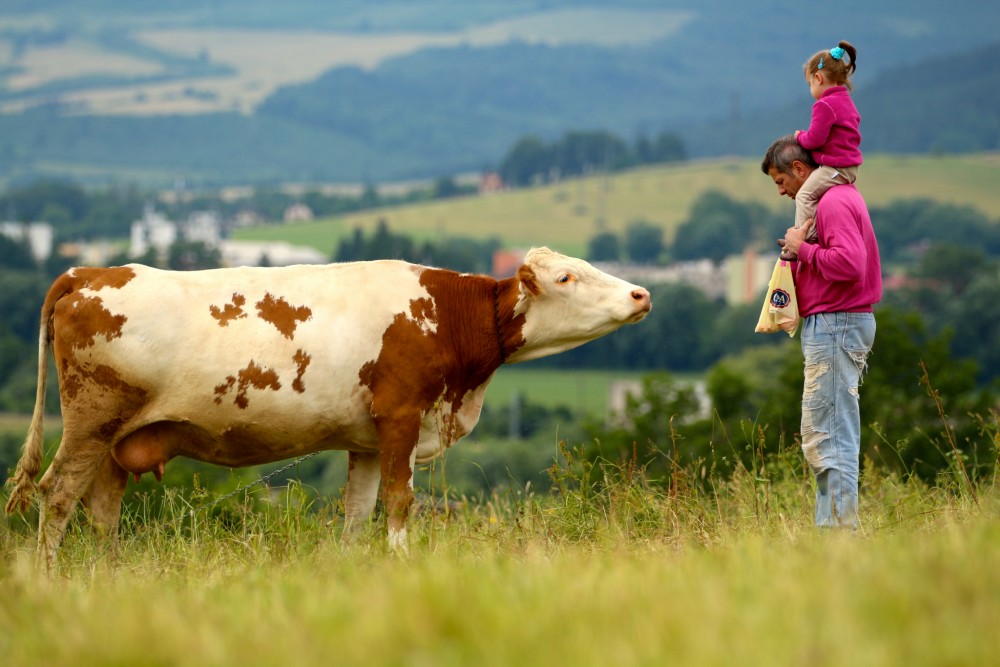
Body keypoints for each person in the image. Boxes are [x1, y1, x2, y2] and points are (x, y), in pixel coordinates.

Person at [761, 135, 882, 528]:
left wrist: (801, 249)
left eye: (781, 181)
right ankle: (834, 526)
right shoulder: (835, 199)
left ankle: (836, 534)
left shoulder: (833, 201)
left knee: (828, 432)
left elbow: (849, 264)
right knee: (830, 428)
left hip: (836, 322)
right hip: (837, 322)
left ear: (800, 169)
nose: (781, 192)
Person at [783, 40, 861, 261]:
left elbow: (814, 140)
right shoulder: (845, 100)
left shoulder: (824, 105)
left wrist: (799, 136)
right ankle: (809, 235)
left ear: (818, 78)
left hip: (837, 168)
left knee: (805, 195)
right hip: (847, 166)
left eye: (809, 83)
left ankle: (804, 241)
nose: (810, 89)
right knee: (813, 196)